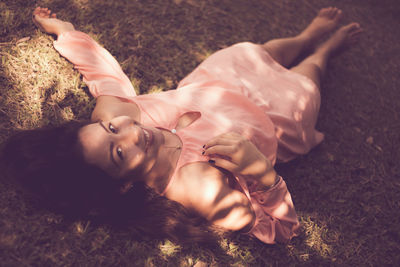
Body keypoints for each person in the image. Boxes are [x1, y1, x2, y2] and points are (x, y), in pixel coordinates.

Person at [3, 6, 362, 245]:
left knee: (259, 52)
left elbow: (104, 74)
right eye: (118, 152)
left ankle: (304, 38)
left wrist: (65, 32)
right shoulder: (198, 189)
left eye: (112, 129)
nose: (130, 133)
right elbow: (280, 228)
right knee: (305, 79)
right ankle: (322, 53)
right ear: (123, 185)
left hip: (224, 80)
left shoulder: (115, 116)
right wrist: (263, 174)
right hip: (279, 117)